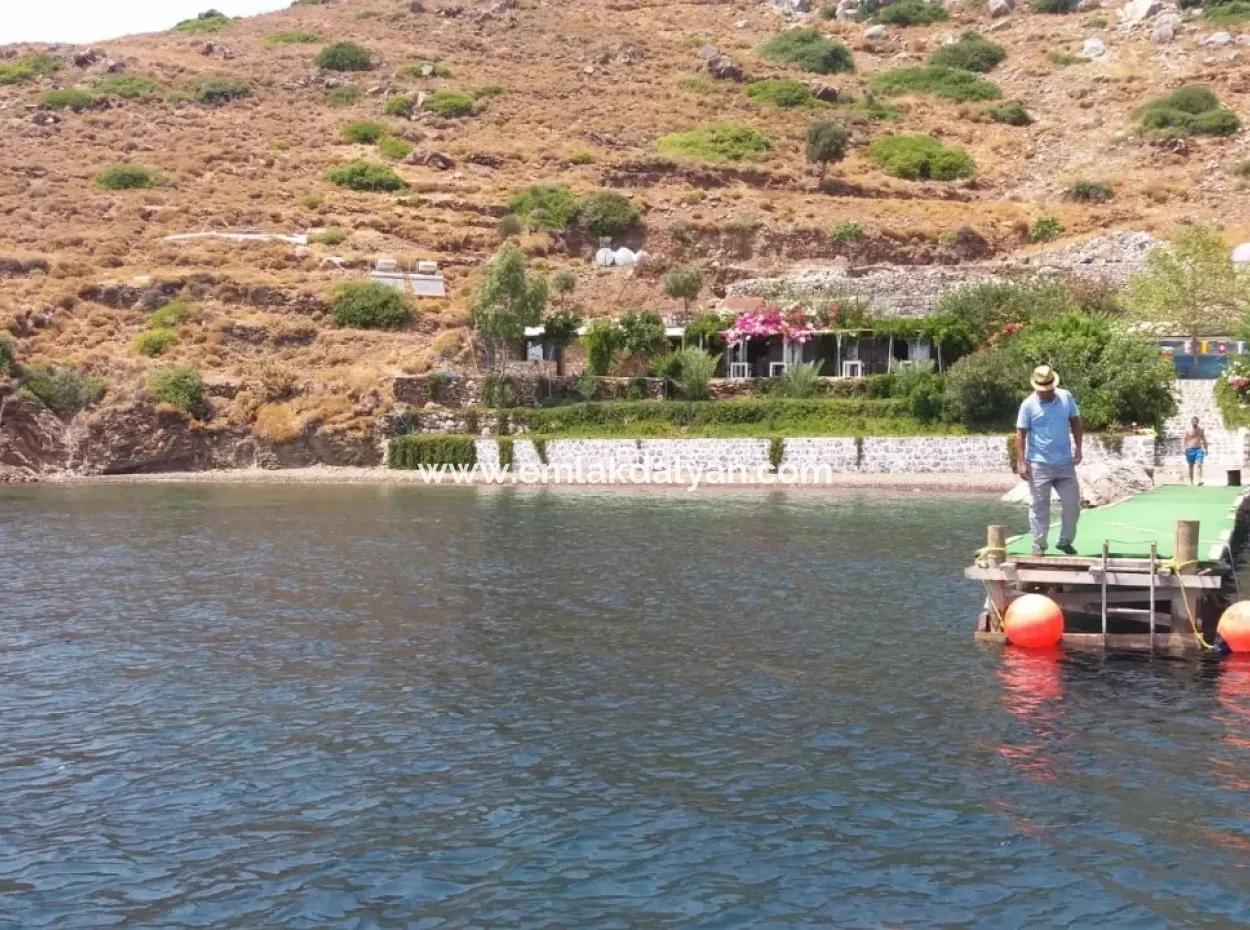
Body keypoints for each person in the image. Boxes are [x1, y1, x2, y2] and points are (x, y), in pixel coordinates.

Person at [1016, 365, 1083, 557]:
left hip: (1065, 463)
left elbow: (1076, 422)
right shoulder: (1028, 405)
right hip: (1038, 463)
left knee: (1072, 504)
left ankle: (1065, 541)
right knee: (1039, 506)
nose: (1046, 392)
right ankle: (1039, 545)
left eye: (1049, 388)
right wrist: (1021, 462)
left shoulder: (1066, 397)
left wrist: (1078, 448)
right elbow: (1020, 434)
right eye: (1042, 389)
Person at [1183, 416, 1208, 486]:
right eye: (1193, 421)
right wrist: (1183, 448)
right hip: (1190, 449)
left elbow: (1204, 439)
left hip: (1198, 449)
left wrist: (1206, 449)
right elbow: (1184, 439)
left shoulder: (1201, 430)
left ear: (1198, 422)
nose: (1195, 423)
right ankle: (1191, 482)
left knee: (1199, 464)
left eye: (1196, 421)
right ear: (1191, 422)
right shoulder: (1187, 430)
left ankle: (1199, 480)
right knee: (1191, 466)